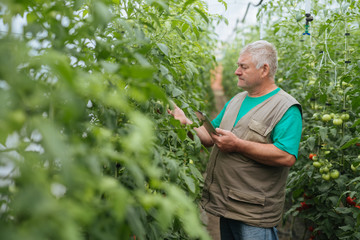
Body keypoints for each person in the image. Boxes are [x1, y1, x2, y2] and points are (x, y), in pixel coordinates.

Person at [169, 40, 302, 240]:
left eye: (243, 67)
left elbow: (286, 156)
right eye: (238, 65)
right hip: (227, 205)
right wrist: (185, 122)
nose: (236, 72)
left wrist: (238, 145)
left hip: (254, 213)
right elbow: (209, 137)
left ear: (264, 69)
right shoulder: (237, 100)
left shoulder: (285, 108)